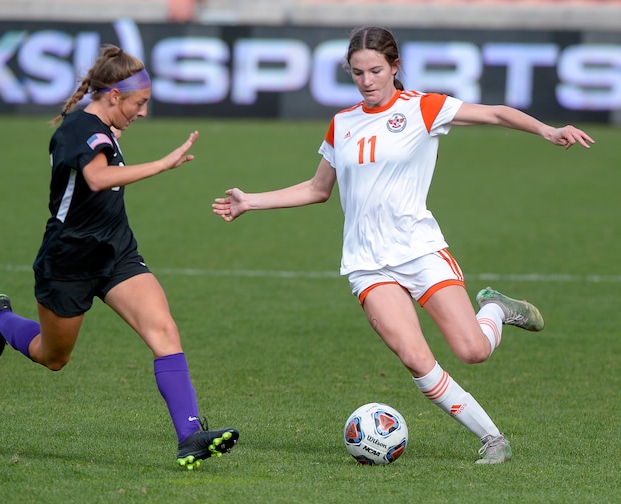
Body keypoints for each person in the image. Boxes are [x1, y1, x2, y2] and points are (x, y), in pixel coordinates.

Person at [212, 26, 594, 464]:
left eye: (376, 70)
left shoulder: (423, 108)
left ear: (395, 67)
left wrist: (547, 130)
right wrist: (250, 202)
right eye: (357, 73)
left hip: (419, 250)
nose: (367, 80)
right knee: (415, 358)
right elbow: (319, 189)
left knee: (472, 351)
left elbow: (495, 114)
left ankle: (496, 310)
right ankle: (493, 439)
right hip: (367, 265)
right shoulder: (343, 123)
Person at [0, 44, 238, 470]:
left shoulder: (104, 126)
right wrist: (163, 164)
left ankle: (190, 435)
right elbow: (96, 178)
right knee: (53, 356)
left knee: (164, 331)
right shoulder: (75, 132)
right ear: (114, 96)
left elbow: (104, 148)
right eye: (139, 103)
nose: (143, 113)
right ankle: (1, 320)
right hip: (67, 262)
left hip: (116, 251)